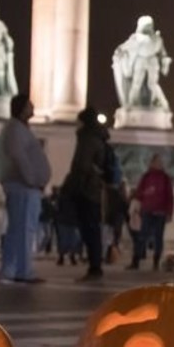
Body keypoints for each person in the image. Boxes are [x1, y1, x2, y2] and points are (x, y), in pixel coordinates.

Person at [0, 94, 50, 285]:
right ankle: (23, 271)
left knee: (18, 230)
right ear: (21, 108)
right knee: (23, 230)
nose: (33, 108)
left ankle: (11, 270)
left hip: (24, 186)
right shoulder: (15, 129)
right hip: (23, 187)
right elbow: (19, 157)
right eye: (29, 106)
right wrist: (32, 180)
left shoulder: (18, 128)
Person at [67, 108, 112, 282]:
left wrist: (73, 184)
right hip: (94, 189)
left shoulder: (87, 139)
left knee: (89, 229)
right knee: (93, 228)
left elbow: (82, 165)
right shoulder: (99, 138)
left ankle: (95, 267)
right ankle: (95, 265)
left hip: (85, 189)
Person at [130, 153, 174, 270]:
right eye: (156, 161)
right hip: (147, 210)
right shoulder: (146, 176)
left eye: (160, 162)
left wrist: (169, 212)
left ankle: (156, 261)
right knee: (142, 236)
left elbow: (169, 196)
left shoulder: (165, 178)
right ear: (152, 163)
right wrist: (144, 194)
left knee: (158, 237)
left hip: (160, 211)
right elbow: (139, 192)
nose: (158, 164)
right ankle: (136, 260)